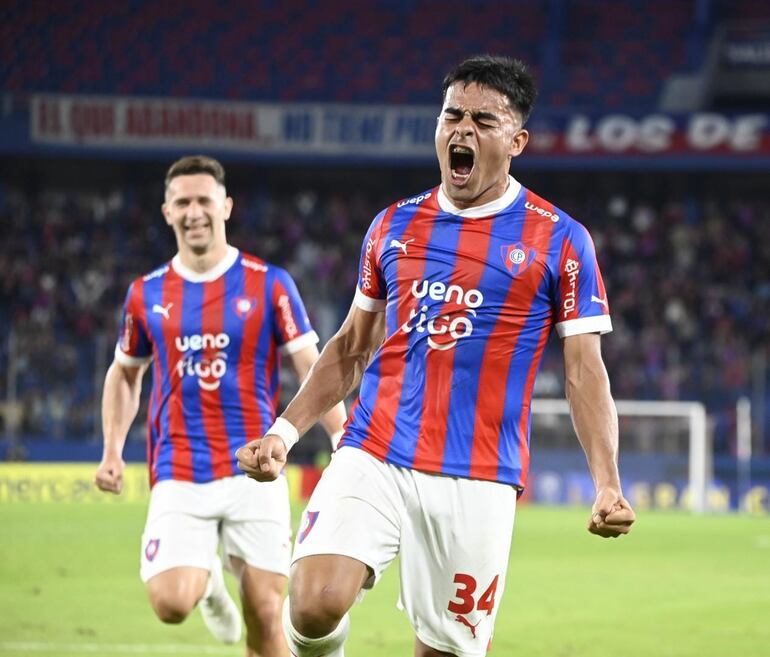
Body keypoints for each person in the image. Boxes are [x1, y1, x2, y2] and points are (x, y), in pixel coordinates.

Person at [236, 55, 636, 657]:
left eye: (483, 119)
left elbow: (584, 370)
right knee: (313, 604)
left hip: (478, 473)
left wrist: (606, 482)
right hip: (378, 447)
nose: (462, 130)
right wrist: (284, 433)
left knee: (441, 651)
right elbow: (350, 345)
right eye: (452, 115)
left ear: (517, 140)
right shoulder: (393, 225)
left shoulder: (559, 238)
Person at [94, 155, 347, 657]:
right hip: (179, 469)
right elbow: (125, 372)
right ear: (167, 211)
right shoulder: (145, 295)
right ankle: (207, 579)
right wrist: (112, 451)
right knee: (170, 603)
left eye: (204, 201)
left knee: (266, 614)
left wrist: (343, 436)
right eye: (182, 202)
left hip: (255, 467)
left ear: (225, 206)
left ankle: (229, 581)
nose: (194, 212)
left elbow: (311, 366)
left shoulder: (270, 283)